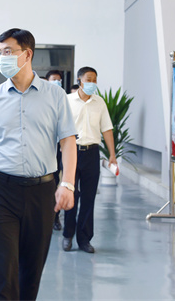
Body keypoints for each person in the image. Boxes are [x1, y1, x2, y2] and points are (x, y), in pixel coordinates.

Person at [0, 28, 78, 300]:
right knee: (3, 270)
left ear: (27, 54)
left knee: (31, 270)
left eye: (8, 52)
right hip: (0, 191)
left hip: (42, 191)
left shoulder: (55, 96)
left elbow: (67, 141)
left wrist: (67, 183)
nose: (2, 57)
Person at [62, 66, 117, 254]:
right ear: (79, 80)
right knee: (70, 194)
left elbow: (107, 129)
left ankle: (84, 239)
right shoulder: (67, 101)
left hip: (92, 154)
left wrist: (112, 154)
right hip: (71, 152)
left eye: (95, 80)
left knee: (89, 197)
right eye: (89, 79)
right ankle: (68, 235)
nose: (92, 83)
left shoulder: (99, 103)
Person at [45, 70, 65, 231]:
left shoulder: (62, 99)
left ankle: (55, 217)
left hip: (59, 148)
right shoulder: (43, 98)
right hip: (45, 147)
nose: (57, 82)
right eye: (54, 79)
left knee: (56, 181)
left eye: (59, 80)